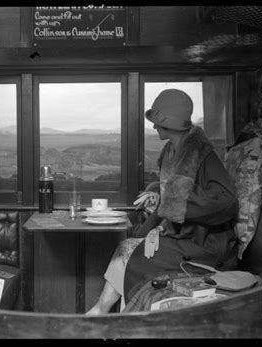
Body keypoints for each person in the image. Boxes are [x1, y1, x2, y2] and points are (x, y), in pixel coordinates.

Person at [87, 89, 239, 314]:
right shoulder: (172, 150)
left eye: (158, 122)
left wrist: (171, 206)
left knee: (134, 256)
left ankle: (114, 316)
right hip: (180, 233)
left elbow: (226, 202)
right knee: (126, 247)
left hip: (205, 243)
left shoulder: (203, 154)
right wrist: (157, 194)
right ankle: (102, 311)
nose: (154, 126)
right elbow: (170, 188)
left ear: (170, 125)